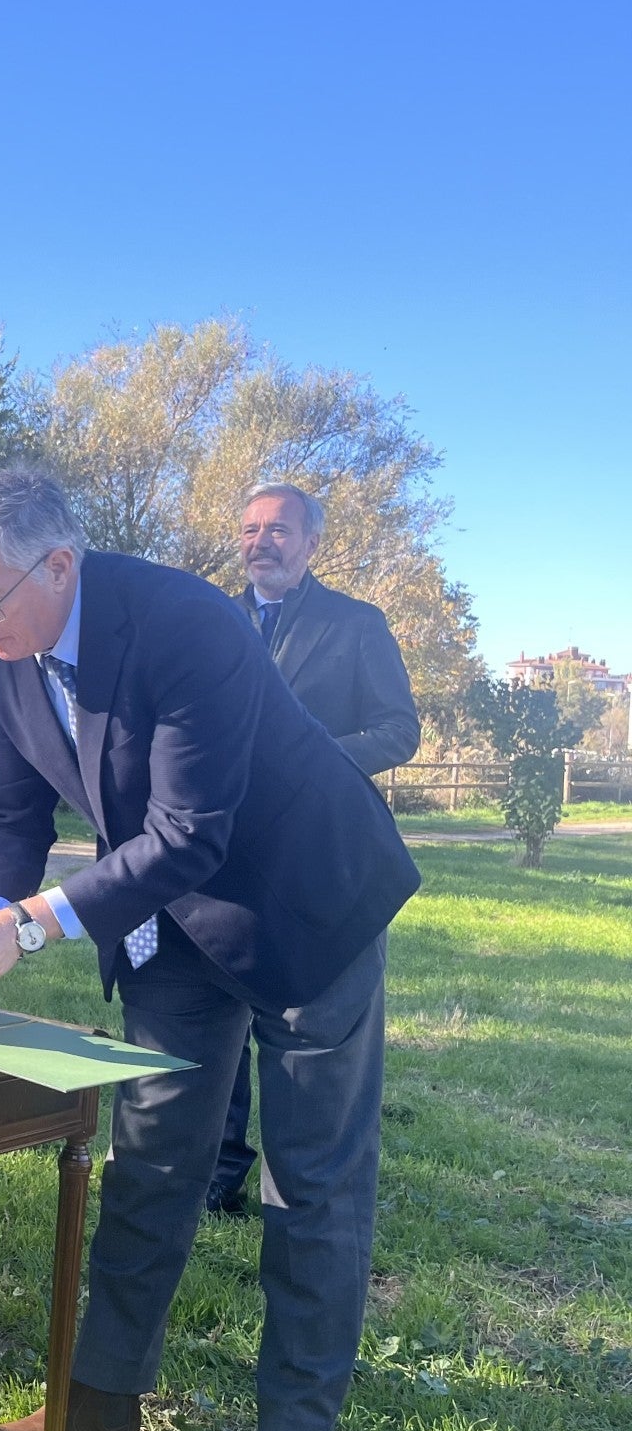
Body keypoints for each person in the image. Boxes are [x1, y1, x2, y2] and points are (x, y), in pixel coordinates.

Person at [0, 468, 419, 1431]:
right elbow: (13, 808)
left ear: (59, 565)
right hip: (170, 925)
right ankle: (102, 1398)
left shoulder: (183, 621)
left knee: (307, 1186)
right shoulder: (2, 648)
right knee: (149, 1155)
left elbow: (192, 830)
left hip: (305, 909)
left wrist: (37, 926)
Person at [206, 481, 421, 1214]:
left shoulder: (357, 625)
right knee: (224, 1007)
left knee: (309, 1022)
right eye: (249, 528)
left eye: (277, 530)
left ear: (311, 543)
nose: (260, 541)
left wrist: (309, 761)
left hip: (324, 853)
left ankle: (300, 1191)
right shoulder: (213, 622)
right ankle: (218, 1175)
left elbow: (399, 729)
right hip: (229, 852)